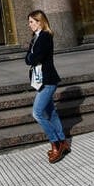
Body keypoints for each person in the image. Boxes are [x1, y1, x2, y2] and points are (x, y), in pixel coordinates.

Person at [25, 9, 70, 164]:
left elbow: (36, 57)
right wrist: (31, 57)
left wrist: (32, 57)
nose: (29, 25)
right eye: (29, 22)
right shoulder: (35, 37)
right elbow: (27, 58)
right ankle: (63, 142)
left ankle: (55, 142)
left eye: (31, 21)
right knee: (51, 113)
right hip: (41, 80)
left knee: (37, 113)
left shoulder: (45, 36)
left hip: (48, 80)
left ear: (39, 21)